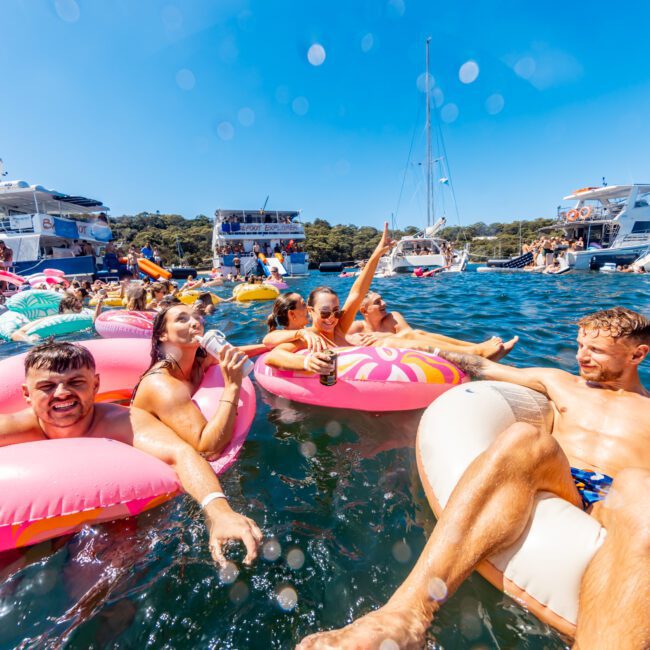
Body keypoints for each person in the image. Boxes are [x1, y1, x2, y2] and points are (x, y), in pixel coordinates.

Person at [298, 307, 650, 649]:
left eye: (596, 350)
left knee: (638, 485)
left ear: (638, 355)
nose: (582, 356)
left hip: (616, 500)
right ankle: (405, 615)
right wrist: (410, 346)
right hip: (565, 483)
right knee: (524, 438)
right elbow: (479, 365)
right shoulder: (560, 382)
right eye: (579, 345)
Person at [0, 341, 262, 566]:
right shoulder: (13, 429)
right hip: (25, 518)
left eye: (75, 382)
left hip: (111, 515)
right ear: (26, 394)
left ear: (96, 384)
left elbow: (181, 455)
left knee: (109, 565)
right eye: (47, 386)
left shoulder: (123, 422)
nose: (62, 393)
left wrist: (219, 512)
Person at [132, 304, 261, 457]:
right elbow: (207, 449)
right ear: (163, 334)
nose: (195, 323)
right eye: (182, 319)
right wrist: (232, 386)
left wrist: (267, 347)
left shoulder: (198, 361)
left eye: (196, 317)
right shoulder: (161, 384)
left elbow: (231, 354)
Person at [263, 223, 393, 373]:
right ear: (311, 311)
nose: (331, 318)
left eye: (336, 312)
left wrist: (376, 254)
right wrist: (306, 362)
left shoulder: (339, 327)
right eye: (324, 313)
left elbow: (357, 294)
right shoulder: (311, 339)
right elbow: (272, 357)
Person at [347, 291, 517, 360]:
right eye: (378, 302)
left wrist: (384, 335)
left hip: (422, 351)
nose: (384, 303)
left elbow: (410, 335)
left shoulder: (393, 317)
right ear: (364, 310)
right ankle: (477, 350)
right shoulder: (357, 327)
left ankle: (477, 348)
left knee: (417, 332)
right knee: (415, 333)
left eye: (382, 299)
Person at [11, 295, 103, 343]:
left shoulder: (84, 318)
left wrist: (99, 304)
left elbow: (95, 323)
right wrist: (28, 339)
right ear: (63, 308)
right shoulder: (49, 321)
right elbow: (16, 334)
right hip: (53, 342)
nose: (79, 304)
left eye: (79, 303)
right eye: (73, 304)